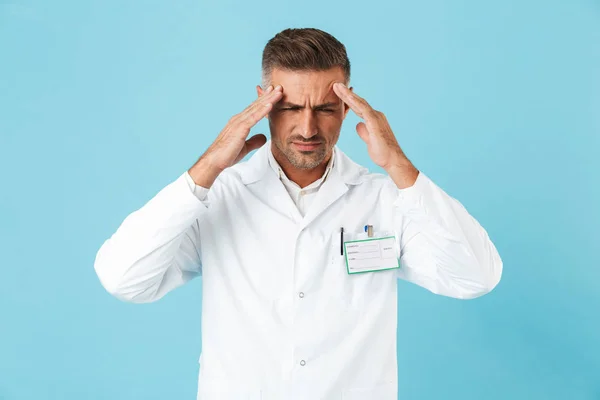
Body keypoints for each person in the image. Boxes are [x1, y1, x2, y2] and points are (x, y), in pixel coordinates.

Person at [94, 27, 503, 400]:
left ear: (347, 108)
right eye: (289, 107)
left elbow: (476, 277)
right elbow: (123, 279)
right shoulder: (217, 196)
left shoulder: (386, 199)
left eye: (325, 109)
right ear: (263, 103)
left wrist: (398, 165)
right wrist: (206, 169)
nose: (307, 128)